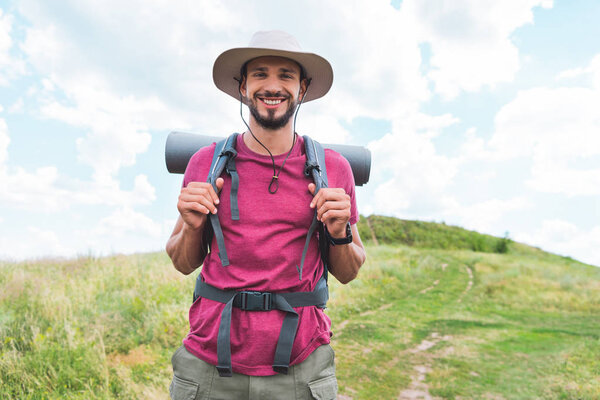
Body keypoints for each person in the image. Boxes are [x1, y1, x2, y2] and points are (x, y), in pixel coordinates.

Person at [166, 30, 366, 400]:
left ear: (302, 89)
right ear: (242, 86)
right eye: (259, 74)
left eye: (285, 75)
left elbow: (349, 271)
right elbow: (182, 261)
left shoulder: (332, 169)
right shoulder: (206, 163)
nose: (272, 85)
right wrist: (192, 228)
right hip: (209, 362)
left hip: (300, 364)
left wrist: (339, 230)